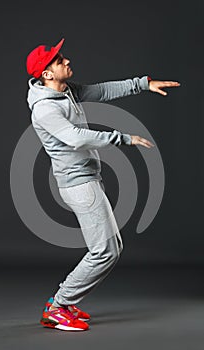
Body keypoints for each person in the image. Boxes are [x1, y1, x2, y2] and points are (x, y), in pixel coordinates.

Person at [26, 38, 180, 332]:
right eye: (59, 61)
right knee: (105, 251)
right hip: (78, 186)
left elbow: (104, 90)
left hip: (88, 179)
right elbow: (76, 137)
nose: (66, 61)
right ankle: (58, 307)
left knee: (113, 246)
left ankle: (65, 303)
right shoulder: (45, 109)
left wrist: (143, 84)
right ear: (46, 74)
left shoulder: (67, 91)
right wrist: (123, 137)